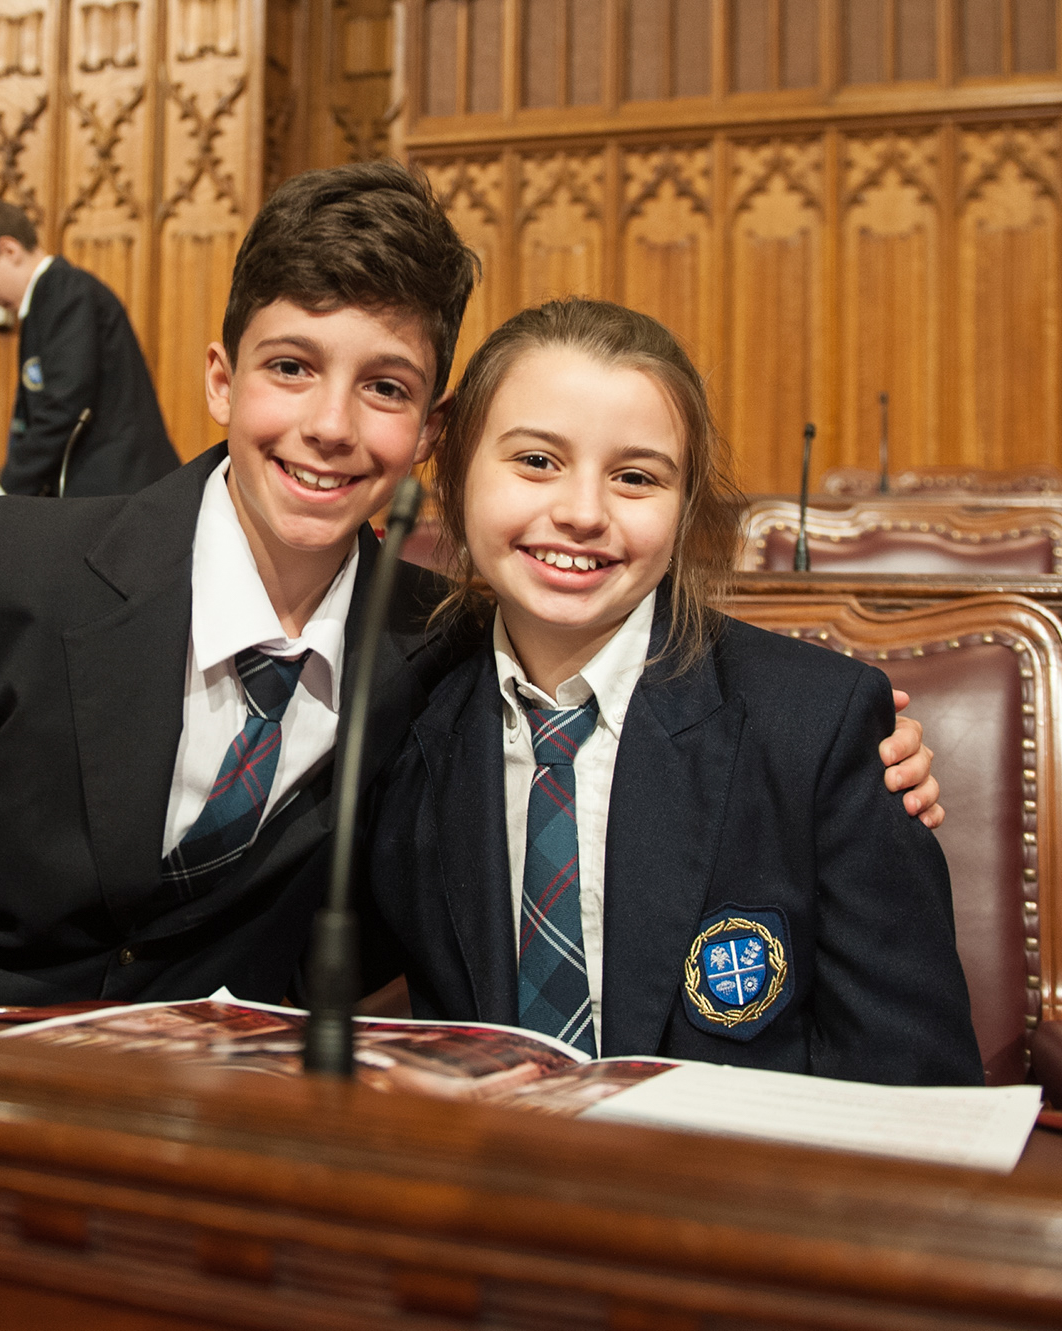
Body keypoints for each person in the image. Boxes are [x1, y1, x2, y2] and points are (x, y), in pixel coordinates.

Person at [0, 164, 941, 1009]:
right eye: (290, 368)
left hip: (221, 1116)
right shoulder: (31, 568)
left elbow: (623, 673)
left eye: (382, 387)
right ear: (220, 379)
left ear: (428, 431)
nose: (326, 427)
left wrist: (857, 756)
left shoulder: (436, 650)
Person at [364, 298, 981, 1085]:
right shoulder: (402, 718)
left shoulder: (818, 731)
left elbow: (919, 1083)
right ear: (454, 468)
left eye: (635, 477)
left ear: (686, 505)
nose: (581, 513)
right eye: (536, 461)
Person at [0, 198, 179, 498]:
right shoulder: (50, 299)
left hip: (122, 493)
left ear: (9, 250)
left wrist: (8, 486)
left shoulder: (67, 295)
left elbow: (65, 404)